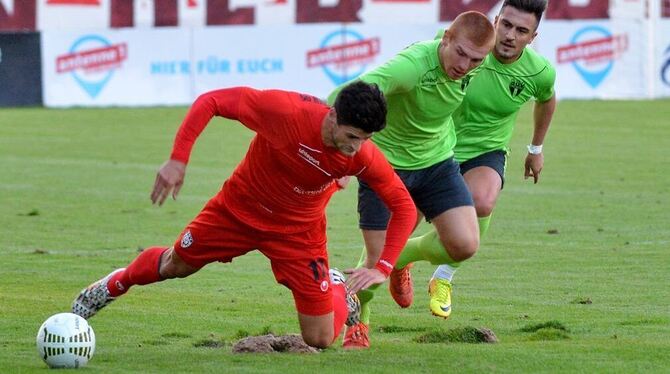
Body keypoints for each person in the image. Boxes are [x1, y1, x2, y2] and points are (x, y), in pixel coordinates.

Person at [71, 81, 417, 349]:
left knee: (320, 339)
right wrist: (179, 158)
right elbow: (213, 100)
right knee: (175, 265)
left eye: (366, 139)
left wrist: (383, 267)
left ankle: (340, 288)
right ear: (332, 116)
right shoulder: (285, 111)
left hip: (298, 233)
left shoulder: (362, 156)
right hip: (236, 211)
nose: (357, 147)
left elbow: (402, 204)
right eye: (352, 136)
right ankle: (112, 286)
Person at [327, 11, 496, 348]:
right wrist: (337, 150)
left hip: (437, 163)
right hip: (386, 169)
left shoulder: (475, 67)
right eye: (460, 53)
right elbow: (348, 92)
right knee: (375, 263)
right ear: (445, 38)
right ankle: (359, 321)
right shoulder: (413, 66)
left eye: (475, 59)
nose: (464, 64)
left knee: (465, 246)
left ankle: (400, 258)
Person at [392, 0, 557, 321]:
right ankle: (387, 268)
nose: (510, 35)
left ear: (533, 37)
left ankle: (442, 276)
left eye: (521, 30)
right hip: (432, 148)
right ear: (496, 20)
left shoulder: (539, 71)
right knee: (398, 224)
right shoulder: (465, 48)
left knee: (482, 202)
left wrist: (536, 149)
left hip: (485, 150)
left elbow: (547, 99)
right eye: (506, 24)